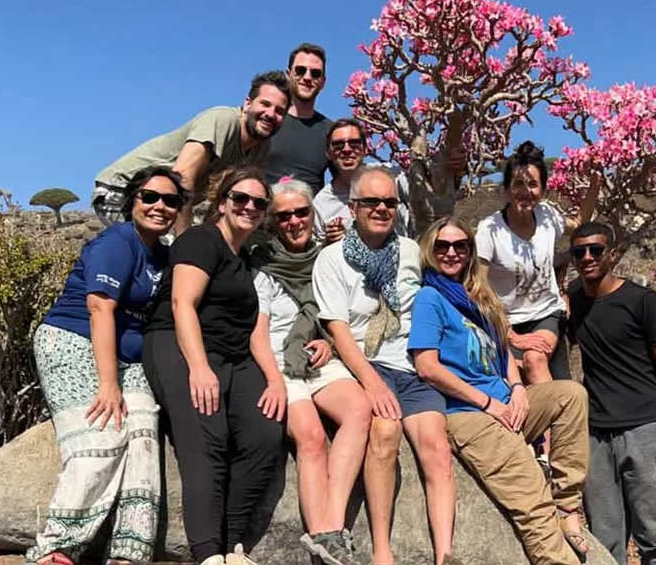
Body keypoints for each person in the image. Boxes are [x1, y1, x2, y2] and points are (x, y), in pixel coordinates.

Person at [411, 218, 592, 565]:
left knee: (570, 396)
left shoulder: (478, 295)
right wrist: (488, 403)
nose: (451, 253)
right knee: (532, 499)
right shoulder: (430, 298)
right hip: (469, 413)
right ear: (430, 251)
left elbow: (503, 350)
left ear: (470, 250)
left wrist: (519, 388)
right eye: (442, 246)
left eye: (460, 245)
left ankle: (567, 504)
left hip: (506, 401)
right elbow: (427, 367)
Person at [27, 166, 185, 565]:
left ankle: (130, 550)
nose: (159, 206)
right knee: (103, 434)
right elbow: (100, 307)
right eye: (150, 196)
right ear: (133, 200)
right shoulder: (119, 241)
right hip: (73, 341)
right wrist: (108, 383)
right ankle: (57, 547)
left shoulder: (163, 255)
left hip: (128, 357)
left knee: (144, 429)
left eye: (170, 200)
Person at [312, 166, 457, 565]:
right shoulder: (332, 259)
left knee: (437, 447)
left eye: (390, 202)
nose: (381, 208)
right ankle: (382, 551)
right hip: (364, 364)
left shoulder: (411, 252)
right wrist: (372, 384)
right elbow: (338, 329)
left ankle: (445, 555)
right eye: (372, 201)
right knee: (386, 430)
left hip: (410, 366)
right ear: (353, 206)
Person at [143, 167, 284, 565]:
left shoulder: (245, 261)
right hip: (177, 343)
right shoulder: (200, 241)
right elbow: (181, 304)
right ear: (222, 203)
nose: (250, 207)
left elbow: (253, 326)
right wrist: (199, 368)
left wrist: (274, 380)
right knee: (208, 442)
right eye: (240, 198)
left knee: (264, 434)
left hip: (232, 356)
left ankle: (232, 544)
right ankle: (208, 554)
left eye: (259, 202)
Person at [248, 177, 372, 565]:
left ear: (312, 214)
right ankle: (327, 539)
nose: (294, 221)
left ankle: (328, 531)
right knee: (313, 438)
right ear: (273, 221)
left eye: (301, 212)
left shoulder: (327, 258)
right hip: (279, 363)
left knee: (359, 409)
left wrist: (330, 342)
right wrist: (273, 380)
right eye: (284, 216)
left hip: (318, 356)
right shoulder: (262, 264)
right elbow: (258, 332)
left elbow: (341, 316)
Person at [566, 222, 656, 565]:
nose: (588, 257)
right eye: (579, 252)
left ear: (613, 254)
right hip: (596, 435)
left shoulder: (641, 301)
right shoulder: (574, 300)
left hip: (645, 429)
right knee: (605, 542)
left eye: (596, 250)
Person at [93, 72, 291, 234]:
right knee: (163, 260)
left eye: (279, 111)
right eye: (265, 104)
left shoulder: (261, 149)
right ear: (248, 104)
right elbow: (182, 178)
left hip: (166, 205)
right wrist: (184, 243)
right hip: (124, 192)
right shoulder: (223, 120)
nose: (270, 114)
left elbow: (222, 201)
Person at [474, 141, 600, 387]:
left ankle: (556, 423)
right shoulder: (489, 230)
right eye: (518, 183)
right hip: (505, 321)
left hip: (546, 314)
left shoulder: (547, 216)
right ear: (507, 188)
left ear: (543, 190)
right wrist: (512, 336)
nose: (525, 191)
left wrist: (594, 184)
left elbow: (579, 222)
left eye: (533, 184)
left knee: (534, 361)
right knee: (523, 386)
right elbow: (478, 288)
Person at [313, 118, 468, 245]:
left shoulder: (389, 174)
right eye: (338, 144)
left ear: (365, 148)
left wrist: (453, 169)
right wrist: (328, 241)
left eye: (354, 143)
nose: (346, 149)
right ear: (328, 152)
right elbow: (316, 251)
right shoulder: (322, 203)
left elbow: (429, 192)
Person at [262, 44, 333, 193]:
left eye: (315, 73)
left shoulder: (330, 132)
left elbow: (345, 183)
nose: (307, 77)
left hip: (308, 214)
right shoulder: (267, 120)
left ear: (323, 82)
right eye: (300, 71)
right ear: (288, 75)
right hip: (262, 213)